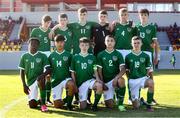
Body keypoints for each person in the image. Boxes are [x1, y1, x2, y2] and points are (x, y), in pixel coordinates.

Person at [70, 37, 103, 111]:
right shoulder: (75, 57)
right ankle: (81, 99)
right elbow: (72, 72)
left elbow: (95, 69)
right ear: (79, 46)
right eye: (82, 45)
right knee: (82, 107)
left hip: (90, 81)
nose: (84, 47)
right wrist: (75, 84)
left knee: (99, 85)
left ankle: (95, 105)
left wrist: (98, 79)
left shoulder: (92, 57)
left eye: (86, 45)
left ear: (89, 46)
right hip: (80, 83)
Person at [19, 37, 51, 112]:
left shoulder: (42, 56)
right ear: (28, 45)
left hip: (39, 79)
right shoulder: (24, 56)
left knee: (41, 80)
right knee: (32, 105)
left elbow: (48, 69)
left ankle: (43, 104)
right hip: (30, 82)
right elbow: (22, 71)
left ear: (38, 46)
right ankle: (39, 100)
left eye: (35, 44)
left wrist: (42, 75)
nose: (33, 45)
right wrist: (24, 85)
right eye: (31, 44)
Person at [97, 35, 126, 111]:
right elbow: (99, 70)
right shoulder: (100, 54)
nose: (109, 42)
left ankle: (120, 104)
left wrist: (116, 78)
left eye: (111, 41)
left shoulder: (118, 54)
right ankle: (110, 97)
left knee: (121, 80)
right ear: (105, 42)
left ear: (114, 42)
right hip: (106, 82)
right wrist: (102, 83)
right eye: (108, 41)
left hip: (115, 80)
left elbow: (123, 69)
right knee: (110, 106)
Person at [125, 36, 154, 112]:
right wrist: (130, 78)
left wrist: (146, 76)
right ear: (131, 44)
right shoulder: (128, 56)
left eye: (138, 43)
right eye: (134, 43)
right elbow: (127, 70)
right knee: (136, 106)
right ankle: (140, 101)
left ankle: (149, 105)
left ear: (141, 44)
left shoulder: (146, 56)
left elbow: (148, 69)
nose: (136, 45)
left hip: (142, 79)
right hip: (133, 80)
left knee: (151, 82)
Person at [136, 9, 159, 105]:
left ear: (148, 16)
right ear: (139, 16)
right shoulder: (136, 27)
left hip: (148, 54)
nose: (143, 16)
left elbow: (155, 43)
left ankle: (151, 97)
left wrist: (156, 56)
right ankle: (136, 97)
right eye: (142, 15)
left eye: (145, 15)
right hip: (138, 54)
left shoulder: (152, 27)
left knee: (150, 75)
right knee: (137, 74)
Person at [48, 34, 76, 110]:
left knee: (71, 85)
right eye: (58, 42)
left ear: (64, 43)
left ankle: (69, 104)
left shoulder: (69, 55)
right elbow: (49, 70)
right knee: (57, 105)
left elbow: (72, 70)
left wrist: (74, 82)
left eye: (61, 42)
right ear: (55, 43)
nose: (60, 44)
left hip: (65, 79)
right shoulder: (51, 56)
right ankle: (65, 100)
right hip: (55, 81)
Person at [30, 15, 53, 105]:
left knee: (48, 77)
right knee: (37, 76)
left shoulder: (51, 31)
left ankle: (47, 98)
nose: (47, 24)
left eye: (49, 23)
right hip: (38, 54)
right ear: (42, 21)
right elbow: (31, 43)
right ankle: (34, 97)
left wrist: (53, 28)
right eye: (46, 22)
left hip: (47, 54)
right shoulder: (35, 30)